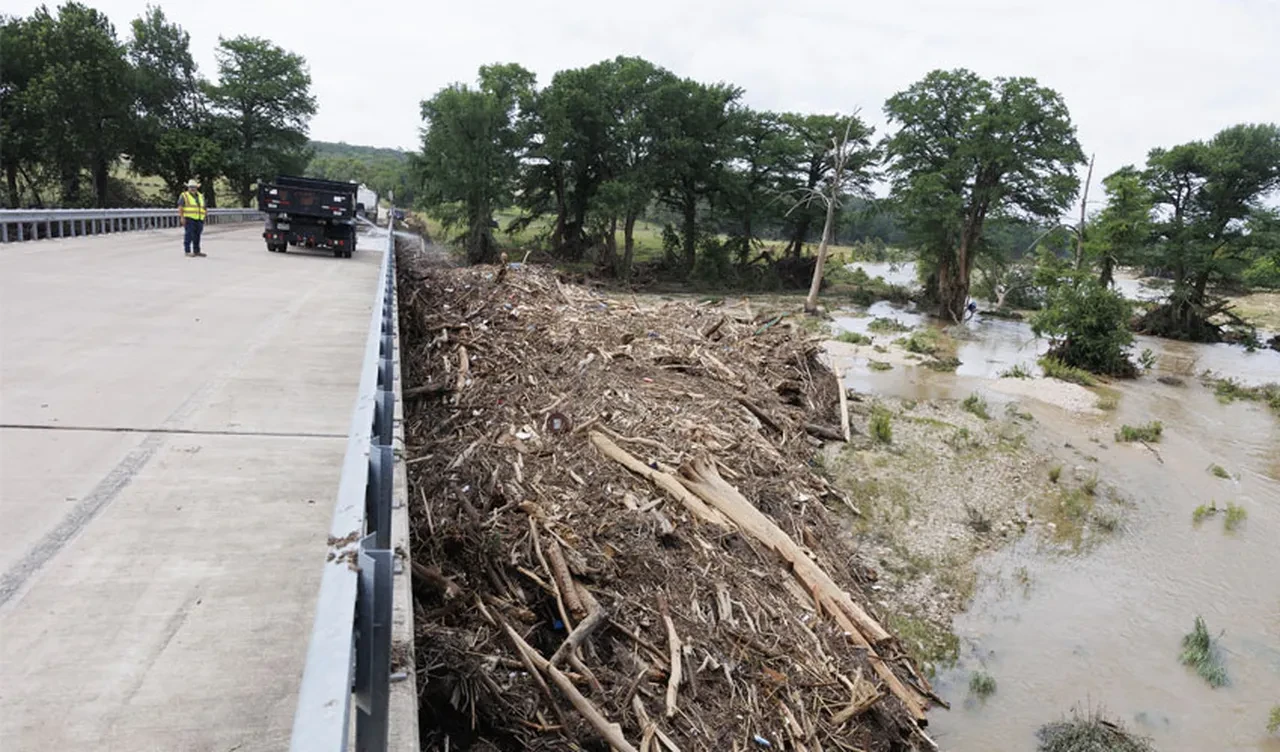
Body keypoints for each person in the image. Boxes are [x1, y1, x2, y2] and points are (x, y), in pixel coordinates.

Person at [178, 179, 207, 257]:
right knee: (189, 234)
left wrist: (204, 217)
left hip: (199, 218)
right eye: (191, 187)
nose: (192, 188)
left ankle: (197, 251)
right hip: (189, 218)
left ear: (197, 188)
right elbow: (180, 207)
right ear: (188, 188)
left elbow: (204, 207)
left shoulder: (201, 196)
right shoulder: (184, 195)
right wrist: (182, 217)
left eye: (194, 187)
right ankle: (187, 251)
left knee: (197, 235)